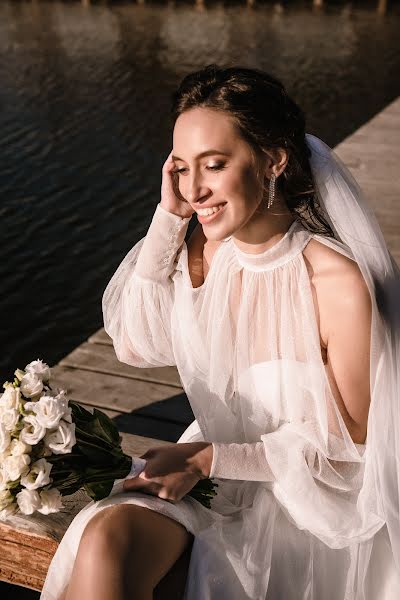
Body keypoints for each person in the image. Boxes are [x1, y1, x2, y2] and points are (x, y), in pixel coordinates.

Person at [40, 65, 400, 600]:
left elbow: (353, 451)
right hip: (206, 474)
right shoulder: (201, 255)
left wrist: (211, 458)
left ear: (273, 159)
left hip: (306, 501)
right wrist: (168, 218)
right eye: (181, 168)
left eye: (214, 165)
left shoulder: (336, 283)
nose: (195, 188)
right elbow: (135, 345)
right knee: (104, 538)